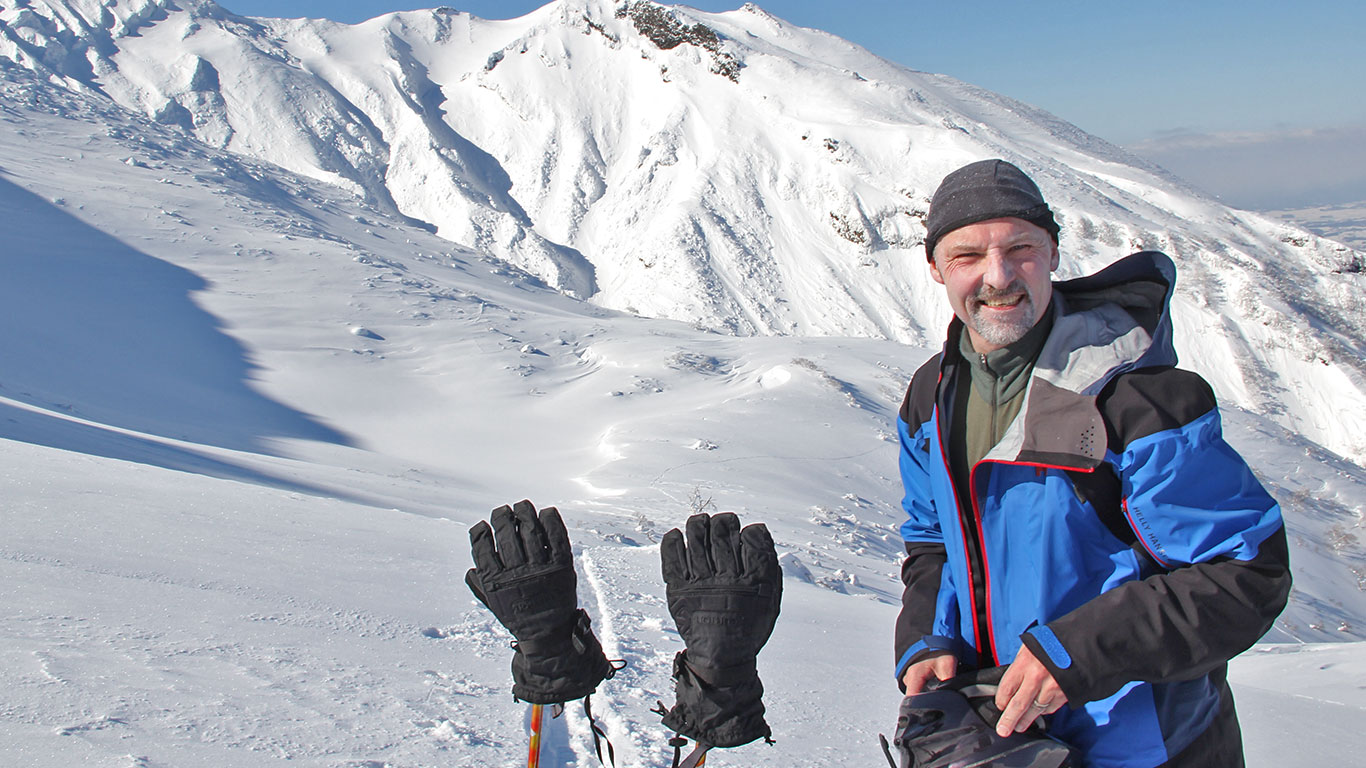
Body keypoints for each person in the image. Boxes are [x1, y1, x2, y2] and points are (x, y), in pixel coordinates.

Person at [893, 159, 1291, 767]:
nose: (997, 277)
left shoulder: (1136, 398)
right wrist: (926, 638)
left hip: (1156, 747)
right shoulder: (933, 396)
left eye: (1020, 249)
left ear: (1052, 253)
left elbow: (1245, 574)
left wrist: (1080, 652)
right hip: (1008, 742)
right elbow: (933, 543)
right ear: (935, 269)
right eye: (967, 256)